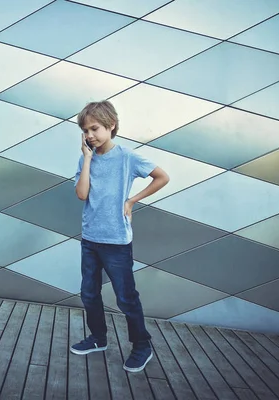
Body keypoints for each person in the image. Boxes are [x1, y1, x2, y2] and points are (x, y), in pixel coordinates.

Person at [71, 100, 170, 373]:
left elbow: (162, 177)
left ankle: (142, 346)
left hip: (116, 242)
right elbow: (82, 194)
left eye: (95, 128)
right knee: (89, 293)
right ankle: (99, 339)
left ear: (111, 125)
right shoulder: (85, 158)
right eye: (85, 130)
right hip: (90, 238)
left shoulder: (128, 157)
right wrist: (88, 158)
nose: (90, 135)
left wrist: (132, 201)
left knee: (126, 297)